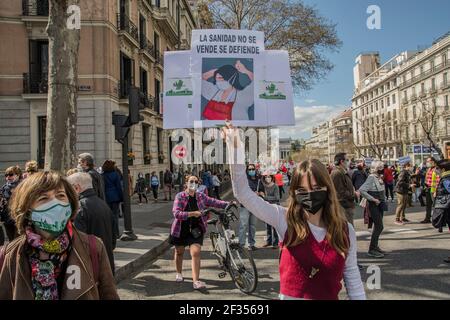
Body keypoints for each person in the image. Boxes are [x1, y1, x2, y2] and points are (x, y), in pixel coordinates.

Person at [222, 125, 365, 300]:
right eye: (302, 190)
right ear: (294, 192)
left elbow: (352, 276)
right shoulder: (284, 219)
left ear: (328, 189)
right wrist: (234, 146)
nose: (310, 194)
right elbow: (243, 193)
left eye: (316, 188)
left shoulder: (346, 230)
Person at [0, 171, 119, 300]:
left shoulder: (93, 247)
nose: (55, 204)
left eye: (61, 195)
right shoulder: (10, 254)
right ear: (27, 210)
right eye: (43, 198)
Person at [169, 175, 231, 289]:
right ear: (186, 183)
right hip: (181, 229)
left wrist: (228, 204)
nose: (193, 183)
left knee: (196, 252)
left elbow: (213, 201)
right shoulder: (180, 196)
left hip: (196, 229)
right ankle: (179, 273)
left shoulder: (201, 196)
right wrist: (192, 213)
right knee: (179, 252)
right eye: (191, 181)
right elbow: (176, 213)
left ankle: (196, 281)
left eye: (196, 181)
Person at [67, 172, 115, 274]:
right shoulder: (104, 205)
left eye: (69, 189)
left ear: (76, 188)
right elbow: (114, 239)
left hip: (91, 268)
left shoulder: (80, 208)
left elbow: (78, 243)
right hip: (106, 264)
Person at [358, 161, 388, 258]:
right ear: (376, 168)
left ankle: (375, 247)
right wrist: (373, 199)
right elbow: (362, 190)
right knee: (379, 226)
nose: (383, 169)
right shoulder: (371, 177)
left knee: (378, 226)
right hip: (374, 205)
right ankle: (372, 249)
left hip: (380, 204)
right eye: (381, 167)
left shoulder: (377, 177)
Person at [238, 164, 265, 251]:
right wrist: (251, 193)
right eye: (249, 169)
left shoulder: (259, 181)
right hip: (245, 206)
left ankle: (251, 244)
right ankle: (241, 245)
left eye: (253, 169)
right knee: (243, 225)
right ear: (247, 171)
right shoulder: (244, 181)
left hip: (254, 206)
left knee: (252, 226)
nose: (251, 171)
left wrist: (260, 194)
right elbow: (240, 193)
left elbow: (263, 193)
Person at [101, 160, 123, 242]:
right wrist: (122, 197)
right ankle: (116, 233)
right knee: (115, 216)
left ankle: (109, 233)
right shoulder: (115, 175)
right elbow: (119, 187)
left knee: (107, 216)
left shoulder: (102, 175)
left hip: (106, 198)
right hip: (115, 198)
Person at [331, 153, 356, 226]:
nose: (349, 162)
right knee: (347, 231)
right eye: (347, 160)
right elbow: (340, 192)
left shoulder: (341, 172)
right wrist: (353, 194)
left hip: (346, 206)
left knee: (349, 230)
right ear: (342, 161)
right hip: (343, 207)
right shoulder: (337, 173)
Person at [0, 166, 21, 246]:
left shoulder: (22, 187)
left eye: (11, 174)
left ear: (18, 175)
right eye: (6, 175)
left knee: (18, 240)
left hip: (19, 218)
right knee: (11, 240)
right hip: (7, 218)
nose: (8, 177)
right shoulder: (4, 188)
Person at [431, 160, 450, 237]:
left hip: (446, 202)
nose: (436, 170)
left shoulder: (446, 179)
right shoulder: (445, 177)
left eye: (437, 168)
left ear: (443, 170)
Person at [261, 173, 280, 249]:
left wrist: (265, 197)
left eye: (269, 177)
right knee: (268, 226)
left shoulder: (275, 186)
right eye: (266, 177)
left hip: (274, 207)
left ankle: (275, 243)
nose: (267, 178)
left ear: (272, 177)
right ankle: (269, 241)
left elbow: (277, 197)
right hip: (266, 208)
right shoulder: (263, 186)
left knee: (274, 226)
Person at [422, 157, 440, 223]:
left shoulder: (437, 169)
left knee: (435, 205)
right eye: (427, 161)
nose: (427, 163)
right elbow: (427, 178)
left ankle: (437, 219)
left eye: (428, 161)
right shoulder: (429, 169)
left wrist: (436, 190)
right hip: (428, 188)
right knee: (428, 204)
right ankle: (427, 218)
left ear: (433, 161)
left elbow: (438, 180)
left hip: (433, 189)